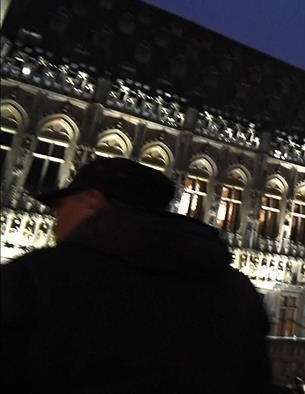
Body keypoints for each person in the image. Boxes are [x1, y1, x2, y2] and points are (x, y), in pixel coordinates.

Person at [0, 157, 271, 392]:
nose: (56, 219)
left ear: (93, 200)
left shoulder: (36, 277)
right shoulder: (237, 292)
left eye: (61, 206)